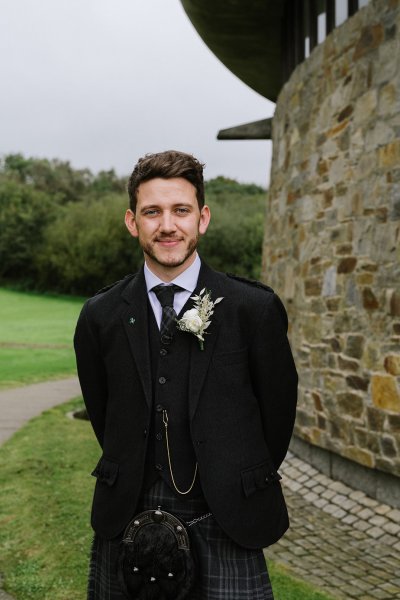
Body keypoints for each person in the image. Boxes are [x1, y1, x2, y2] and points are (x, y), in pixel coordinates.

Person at [74, 150, 298, 600]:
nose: (168, 225)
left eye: (181, 210)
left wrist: (230, 473)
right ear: (132, 222)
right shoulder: (100, 316)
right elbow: (103, 414)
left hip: (225, 516)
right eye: (151, 212)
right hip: (129, 511)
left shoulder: (253, 310)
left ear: (203, 218)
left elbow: (277, 415)